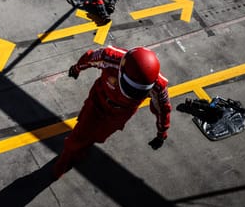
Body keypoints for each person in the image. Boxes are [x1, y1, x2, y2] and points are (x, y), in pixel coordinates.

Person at [54, 46, 172, 178]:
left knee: (98, 137)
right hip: (97, 102)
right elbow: (89, 58)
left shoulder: (159, 86)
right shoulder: (109, 57)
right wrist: (77, 68)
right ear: (121, 70)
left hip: (119, 115)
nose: (131, 94)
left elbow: (163, 109)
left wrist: (162, 133)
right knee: (76, 137)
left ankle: (82, 148)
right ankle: (61, 166)